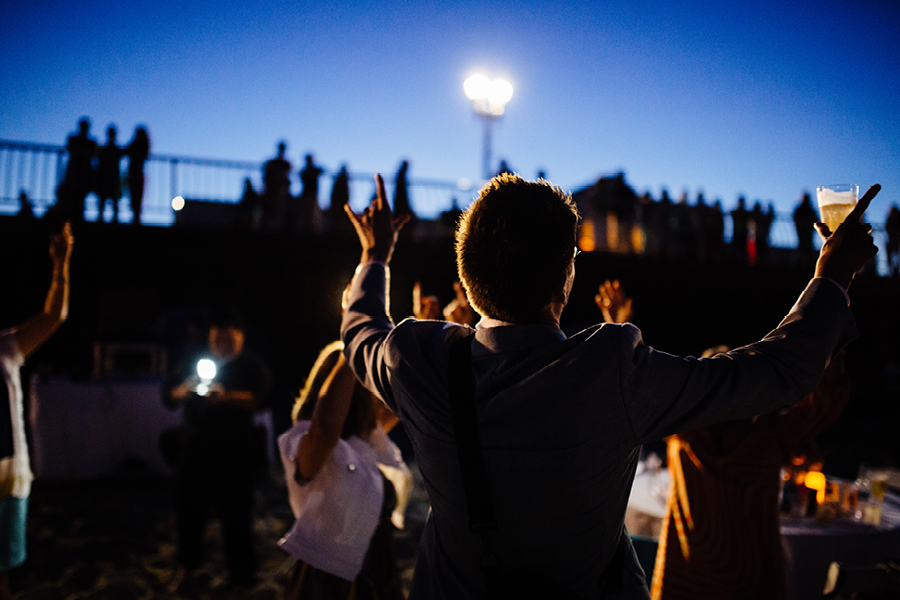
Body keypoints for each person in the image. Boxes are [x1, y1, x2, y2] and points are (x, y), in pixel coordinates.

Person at [340, 172, 878, 599]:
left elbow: (359, 332)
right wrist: (832, 273)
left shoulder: (415, 358)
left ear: (468, 274)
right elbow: (773, 373)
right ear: (566, 277)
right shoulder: (611, 370)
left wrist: (375, 256)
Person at [595, 281, 851, 600]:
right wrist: (829, 334)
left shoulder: (686, 432)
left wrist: (620, 325)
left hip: (685, 579)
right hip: (751, 580)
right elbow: (825, 403)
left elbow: (638, 382)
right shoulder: (770, 431)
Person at [278, 324, 410, 599]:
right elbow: (325, 428)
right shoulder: (308, 441)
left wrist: (415, 334)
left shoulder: (368, 442)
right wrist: (353, 346)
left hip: (378, 568)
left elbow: (403, 399)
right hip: (330, 577)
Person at [162, 308, 272, 590]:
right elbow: (168, 395)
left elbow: (261, 400)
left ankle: (241, 576)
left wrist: (227, 397)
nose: (221, 345)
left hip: (235, 453)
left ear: (240, 338)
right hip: (195, 448)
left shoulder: (251, 365)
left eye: (227, 339)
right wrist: (185, 389)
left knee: (237, 518)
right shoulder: (192, 360)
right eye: (216, 340)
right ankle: (187, 570)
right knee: (189, 515)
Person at [0, 222, 73, 600]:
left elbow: (53, 317)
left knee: (2, 572)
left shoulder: (6, 347)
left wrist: (61, 264)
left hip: (6, 476)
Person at [58, 118, 97, 223]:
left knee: (80, 196)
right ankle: (69, 218)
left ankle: (77, 218)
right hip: (74, 172)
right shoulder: (74, 139)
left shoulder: (90, 142)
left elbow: (93, 154)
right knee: (71, 195)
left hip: (84, 173)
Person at [96, 125, 123, 223]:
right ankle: (102, 216)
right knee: (104, 197)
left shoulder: (113, 149)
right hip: (105, 175)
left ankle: (114, 217)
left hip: (112, 176)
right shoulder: (108, 149)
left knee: (113, 197)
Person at [126, 126, 150, 225]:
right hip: (135, 172)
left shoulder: (140, 145)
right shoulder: (140, 145)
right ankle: (136, 217)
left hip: (136, 172)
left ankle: (136, 217)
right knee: (135, 195)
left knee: (137, 194)